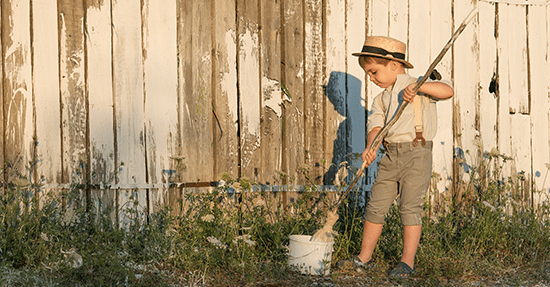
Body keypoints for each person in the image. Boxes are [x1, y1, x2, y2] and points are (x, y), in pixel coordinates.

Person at [338, 36, 454, 278]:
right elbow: (376, 126)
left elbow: (447, 91)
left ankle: (407, 262)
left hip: (417, 153)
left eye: (373, 72)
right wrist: (371, 146)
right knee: (375, 205)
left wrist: (420, 87)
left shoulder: (417, 84)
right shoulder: (380, 99)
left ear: (392, 64)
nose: (371, 78)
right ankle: (364, 257)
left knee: (409, 208)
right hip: (390, 156)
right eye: (368, 74)